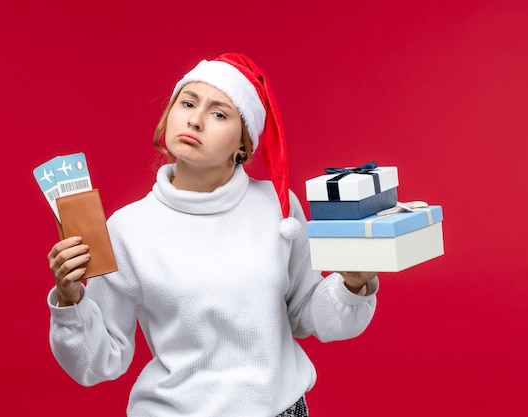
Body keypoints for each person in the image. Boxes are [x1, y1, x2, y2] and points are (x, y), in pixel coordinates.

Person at [47, 52, 379, 417]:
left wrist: (352, 285)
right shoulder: (128, 228)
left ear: (243, 144)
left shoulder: (277, 208)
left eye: (219, 113)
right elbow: (98, 362)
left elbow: (305, 316)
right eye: (187, 103)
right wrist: (70, 300)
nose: (195, 119)